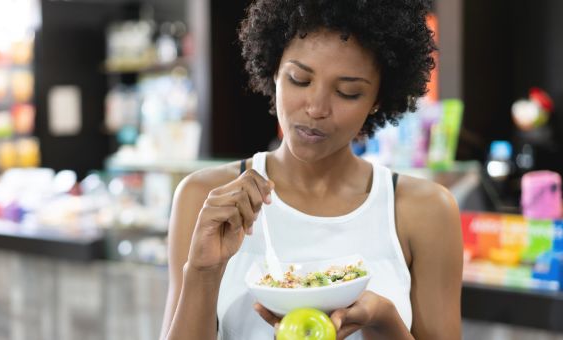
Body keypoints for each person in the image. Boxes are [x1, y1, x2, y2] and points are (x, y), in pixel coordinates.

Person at [161, 0, 462, 339]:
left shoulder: (424, 210)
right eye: (299, 80)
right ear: (274, 70)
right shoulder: (206, 198)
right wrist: (203, 271)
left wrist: (382, 319)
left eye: (348, 92)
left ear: (378, 98)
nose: (317, 108)